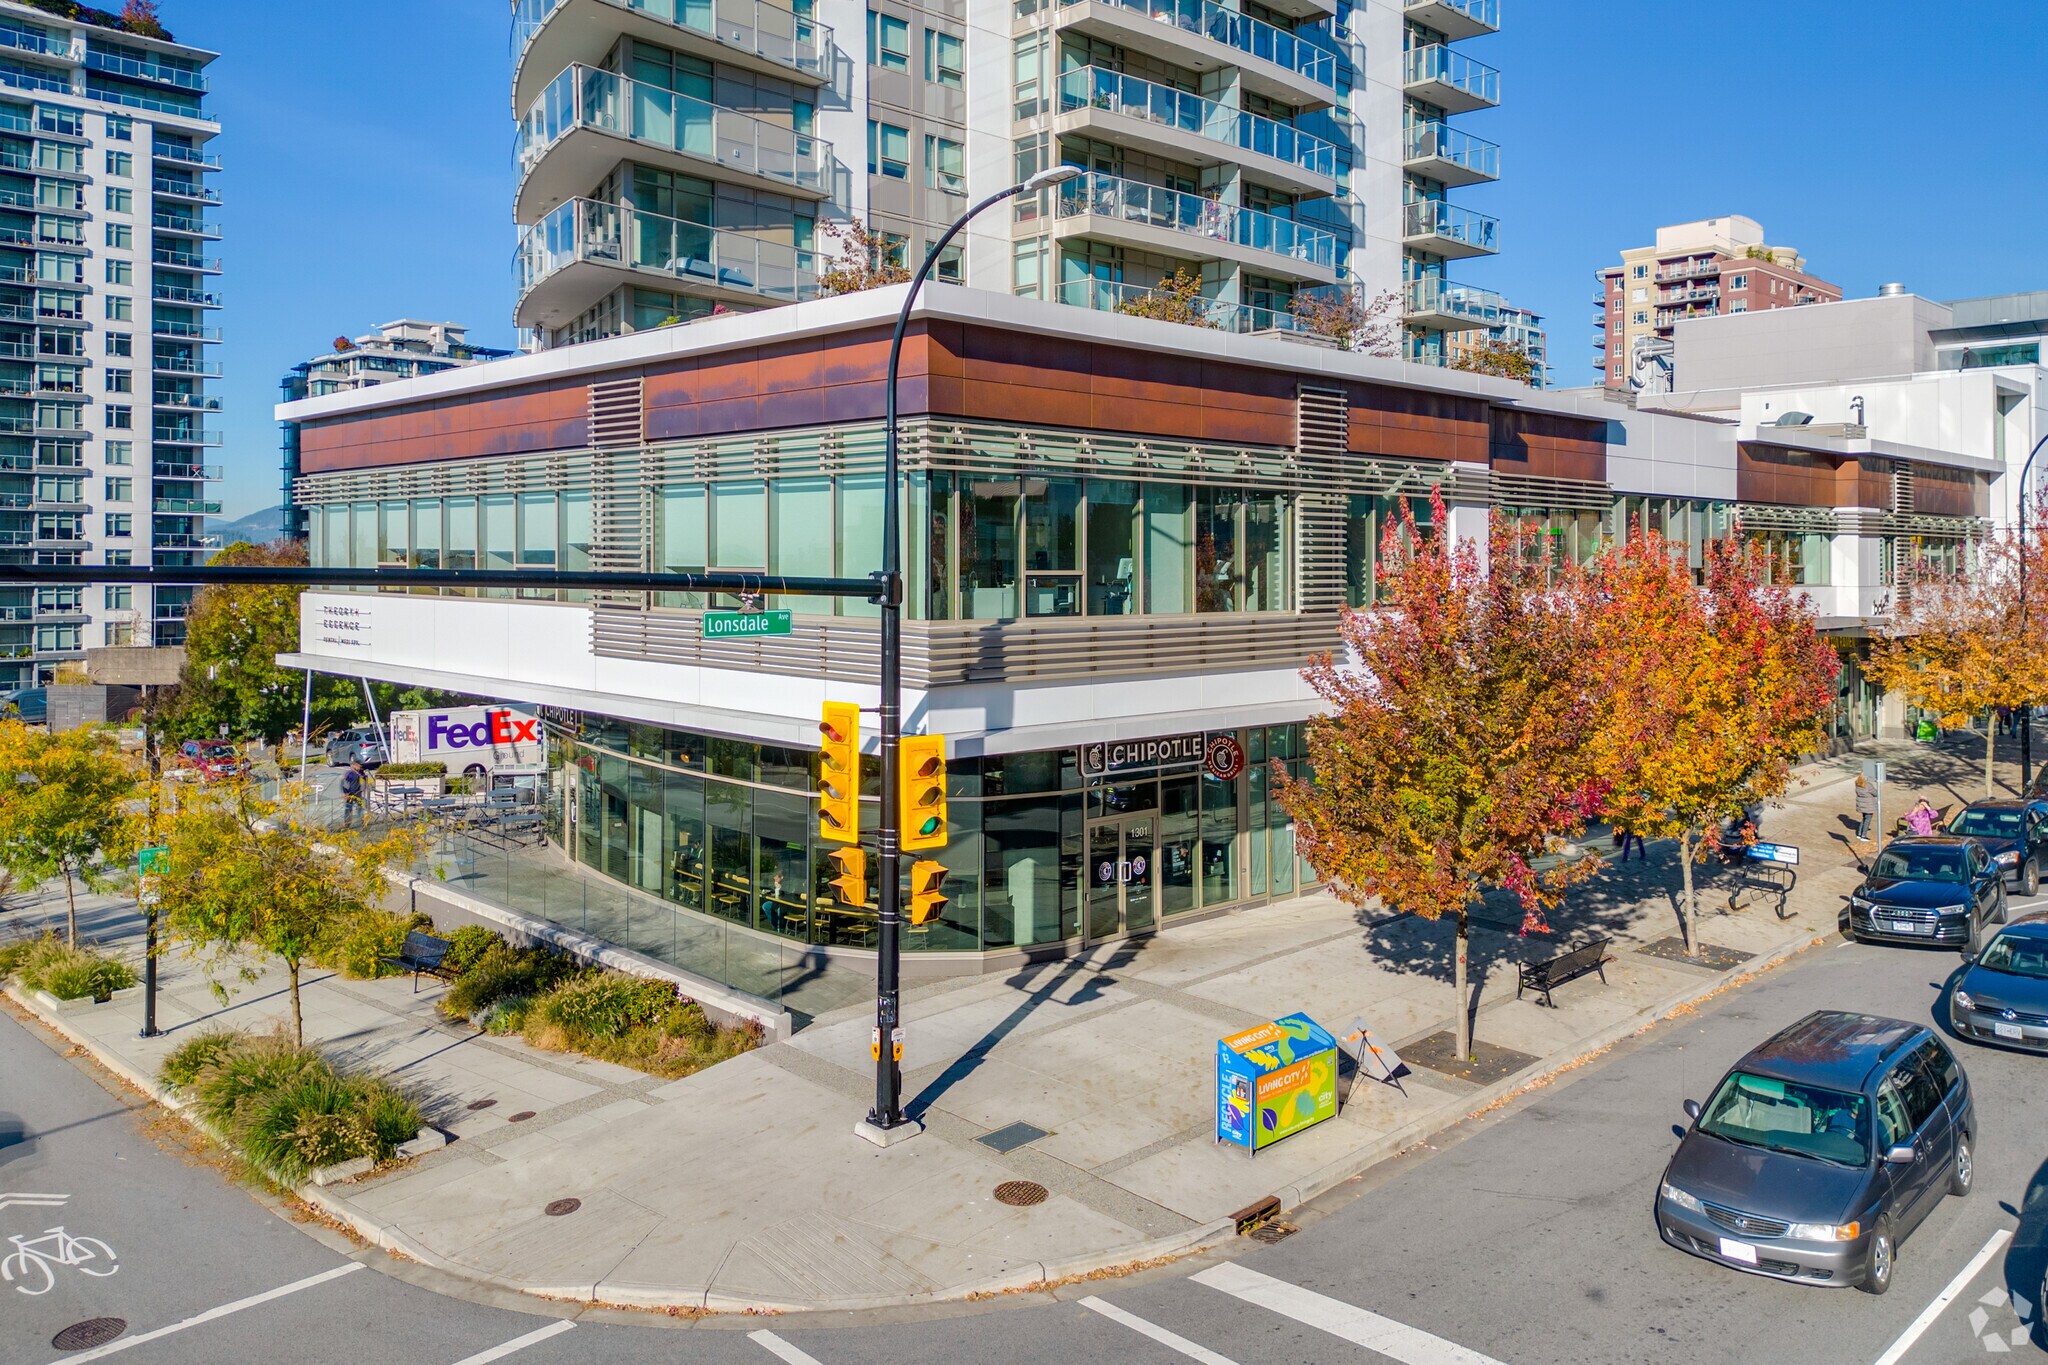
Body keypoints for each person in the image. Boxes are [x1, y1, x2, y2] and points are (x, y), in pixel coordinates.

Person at [339, 760, 366, 829]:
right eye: (358, 766)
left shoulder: (361, 773)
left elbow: (364, 781)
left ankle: (362, 822)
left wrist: (362, 788)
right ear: (353, 765)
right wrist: (345, 793)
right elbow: (344, 783)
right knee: (348, 808)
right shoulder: (350, 773)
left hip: (358, 793)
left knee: (360, 808)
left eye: (360, 766)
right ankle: (347, 824)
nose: (359, 768)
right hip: (350, 793)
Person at [1853, 773, 1878, 841]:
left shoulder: (1857, 784)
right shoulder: (1868, 785)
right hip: (1868, 805)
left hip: (1861, 804)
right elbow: (1875, 793)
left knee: (1864, 818)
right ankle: (1863, 836)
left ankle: (1859, 833)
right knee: (1867, 820)